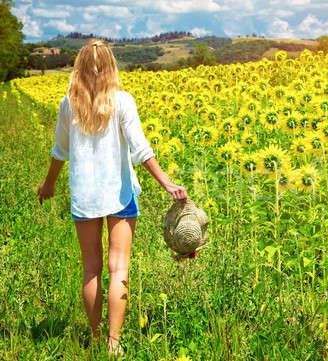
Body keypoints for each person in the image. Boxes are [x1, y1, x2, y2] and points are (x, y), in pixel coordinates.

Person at [35, 38, 187, 356]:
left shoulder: (69, 104)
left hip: (84, 196)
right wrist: (167, 183)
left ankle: (94, 335)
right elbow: (141, 150)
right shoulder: (122, 101)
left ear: (78, 69)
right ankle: (114, 344)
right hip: (120, 194)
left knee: (91, 269)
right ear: (111, 66)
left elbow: (59, 152)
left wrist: (48, 184)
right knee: (119, 269)